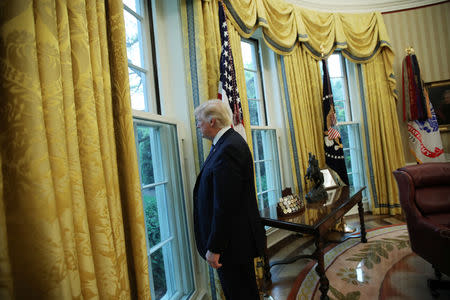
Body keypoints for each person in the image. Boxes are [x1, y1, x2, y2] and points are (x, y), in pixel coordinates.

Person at [193, 99, 266, 300]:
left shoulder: (229, 148)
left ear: (212, 122)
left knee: (240, 294)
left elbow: (225, 206)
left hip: (232, 246)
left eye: (199, 121)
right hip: (234, 242)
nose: (198, 126)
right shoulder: (225, 144)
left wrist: (215, 248)